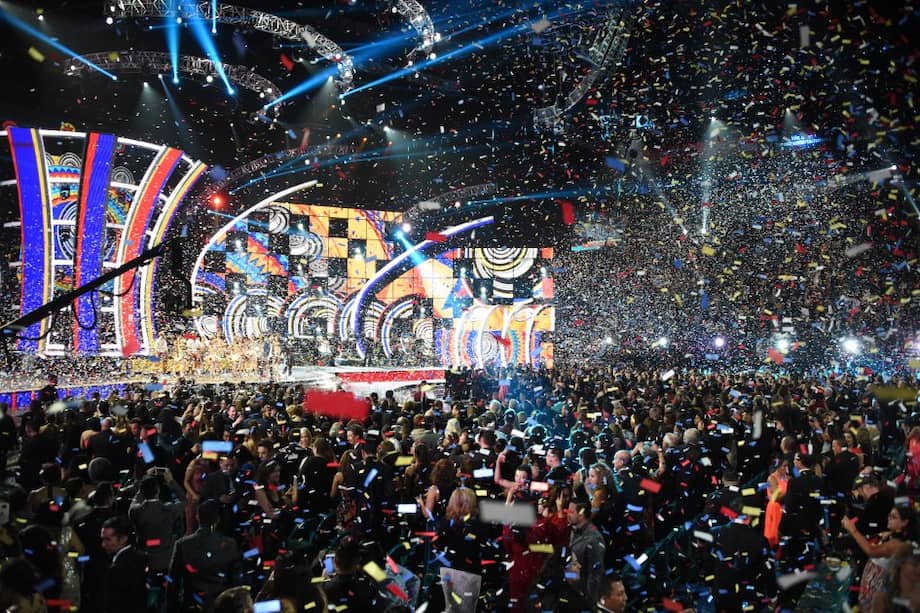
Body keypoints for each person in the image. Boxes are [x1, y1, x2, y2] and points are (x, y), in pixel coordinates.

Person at [166, 500, 243, 613]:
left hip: (192, 606)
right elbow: (237, 582)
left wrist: (171, 609)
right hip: (222, 607)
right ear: (217, 519)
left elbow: (173, 581)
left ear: (197, 517)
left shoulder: (182, 545)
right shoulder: (230, 545)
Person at [843, 504, 918, 612]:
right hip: (871, 589)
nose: (889, 519)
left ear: (904, 522)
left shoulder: (896, 544)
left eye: (894, 517)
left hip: (876, 592)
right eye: (889, 515)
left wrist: (853, 530)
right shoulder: (894, 537)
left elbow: (871, 551)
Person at [100, 515, 148, 613]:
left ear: (123, 539)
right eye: (102, 539)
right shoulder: (141, 557)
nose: (103, 544)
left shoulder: (117, 568)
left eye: (108, 539)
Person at [567, 500, 606, 606]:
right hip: (571, 593)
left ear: (581, 514)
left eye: (571, 512)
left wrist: (589, 603)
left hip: (583, 598)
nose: (568, 514)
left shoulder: (593, 538)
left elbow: (595, 575)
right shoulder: (572, 530)